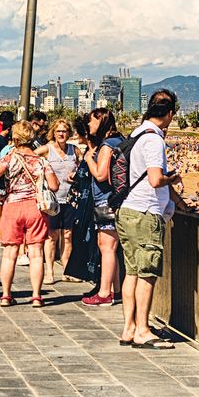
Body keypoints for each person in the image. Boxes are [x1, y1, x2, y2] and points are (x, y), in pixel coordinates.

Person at [116, 90, 199, 349]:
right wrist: (173, 178)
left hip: (128, 210)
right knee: (147, 273)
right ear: (170, 114)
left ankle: (129, 328)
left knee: (132, 271)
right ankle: (143, 330)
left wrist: (179, 201)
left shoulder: (137, 134)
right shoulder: (153, 141)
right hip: (145, 213)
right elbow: (155, 179)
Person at [0, 122, 59, 307]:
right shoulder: (41, 161)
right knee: (36, 252)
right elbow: (54, 186)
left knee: (10, 252)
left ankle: (5, 295)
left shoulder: (9, 158)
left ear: (16, 139)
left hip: (12, 206)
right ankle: (36, 296)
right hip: (35, 208)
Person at [76, 107, 121, 304]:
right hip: (115, 199)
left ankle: (104, 293)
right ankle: (117, 289)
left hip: (106, 200)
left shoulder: (107, 145)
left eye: (92, 121)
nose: (89, 125)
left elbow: (101, 174)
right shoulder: (118, 140)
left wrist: (88, 159)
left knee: (106, 246)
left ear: (101, 121)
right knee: (111, 246)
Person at [36, 118, 78, 284]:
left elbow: (83, 168)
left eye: (65, 131)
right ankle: (49, 271)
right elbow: (30, 157)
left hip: (71, 198)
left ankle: (66, 270)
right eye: (59, 131)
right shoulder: (47, 149)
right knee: (52, 236)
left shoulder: (74, 150)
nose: (62, 134)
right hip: (52, 200)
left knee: (68, 235)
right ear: (53, 132)